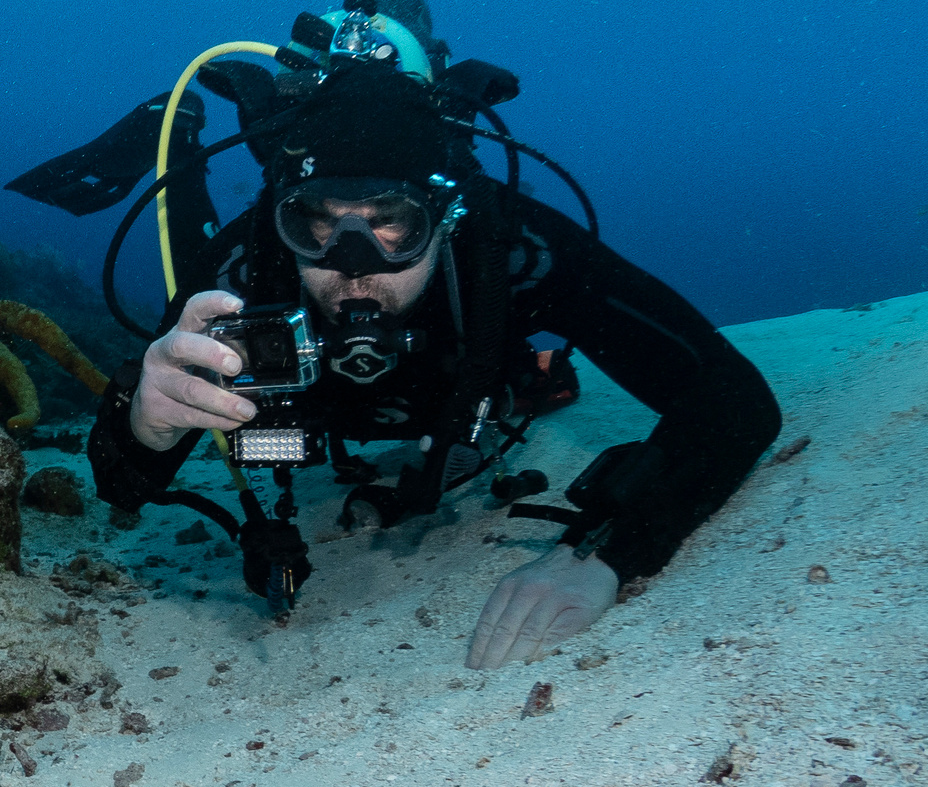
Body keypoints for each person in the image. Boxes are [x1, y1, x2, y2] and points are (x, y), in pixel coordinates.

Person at [81, 41, 780, 667]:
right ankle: (180, 143)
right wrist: (146, 423)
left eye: (393, 223)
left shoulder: (515, 251)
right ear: (282, 216)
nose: (351, 266)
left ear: (445, 216)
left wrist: (608, 551)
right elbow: (123, 486)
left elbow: (732, 396)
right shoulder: (243, 270)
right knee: (189, 254)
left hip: (470, 394)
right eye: (314, 222)